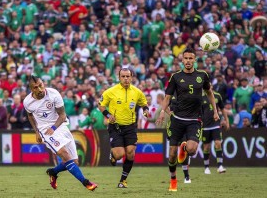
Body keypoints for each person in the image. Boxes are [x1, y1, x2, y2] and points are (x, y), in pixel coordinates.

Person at [156, 48, 219, 192]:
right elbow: (167, 98)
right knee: (172, 155)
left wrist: (215, 111)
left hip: (194, 119)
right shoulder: (176, 77)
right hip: (177, 119)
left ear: (195, 60)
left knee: (191, 150)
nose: (188, 61)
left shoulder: (202, 75)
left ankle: (184, 148)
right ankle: (173, 180)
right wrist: (162, 113)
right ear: (182, 60)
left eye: (191, 58)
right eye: (186, 58)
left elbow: (209, 93)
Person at [23, 75, 97, 191]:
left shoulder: (53, 94)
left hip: (60, 126)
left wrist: (54, 127)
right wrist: (37, 131)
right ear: (31, 89)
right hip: (45, 130)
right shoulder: (27, 102)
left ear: (43, 83)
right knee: (65, 155)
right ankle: (86, 183)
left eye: (41, 85)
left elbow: (62, 116)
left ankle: (53, 172)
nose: (40, 89)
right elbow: (30, 115)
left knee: (74, 162)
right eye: (35, 87)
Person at [98, 68, 149, 188]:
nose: (126, 79)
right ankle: (113, 155)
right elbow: (101, 105)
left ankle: (123, 181)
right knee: (120, 154)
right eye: (123, 76)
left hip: (130, 127)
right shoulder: (111, 91)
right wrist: (108, 115)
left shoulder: (137, 92)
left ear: (132, 77)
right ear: (119, 77)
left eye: (128, 76)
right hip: (115, 127)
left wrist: (145, 110)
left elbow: (143, 103)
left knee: (130, 153)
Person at [202, 89, 230, 175]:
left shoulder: (217, 95)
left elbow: (222, 109)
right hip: (205, 125)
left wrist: (227, 120)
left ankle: (220, 166)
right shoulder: (200, 97)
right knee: (206, 147)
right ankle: (206, 167)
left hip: (216, 124)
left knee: (218, 143)